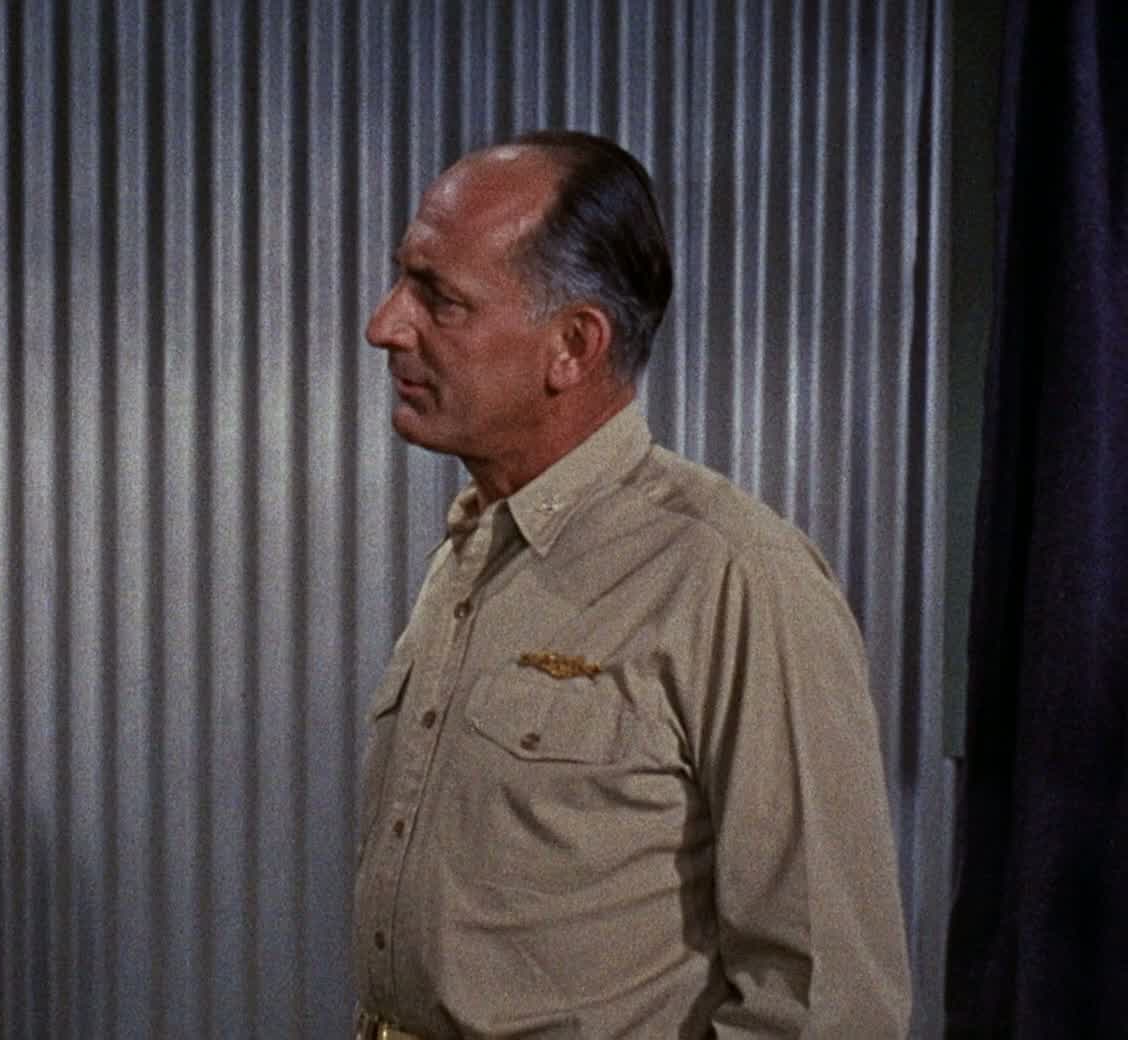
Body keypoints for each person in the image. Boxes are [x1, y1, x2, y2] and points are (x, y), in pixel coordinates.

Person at [351, 131, 911, 1038]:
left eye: (438, 298)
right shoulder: (474, 549)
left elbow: (826, 1002)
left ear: (573, 345)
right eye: (400, 280)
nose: (386, 325)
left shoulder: (736, 578)